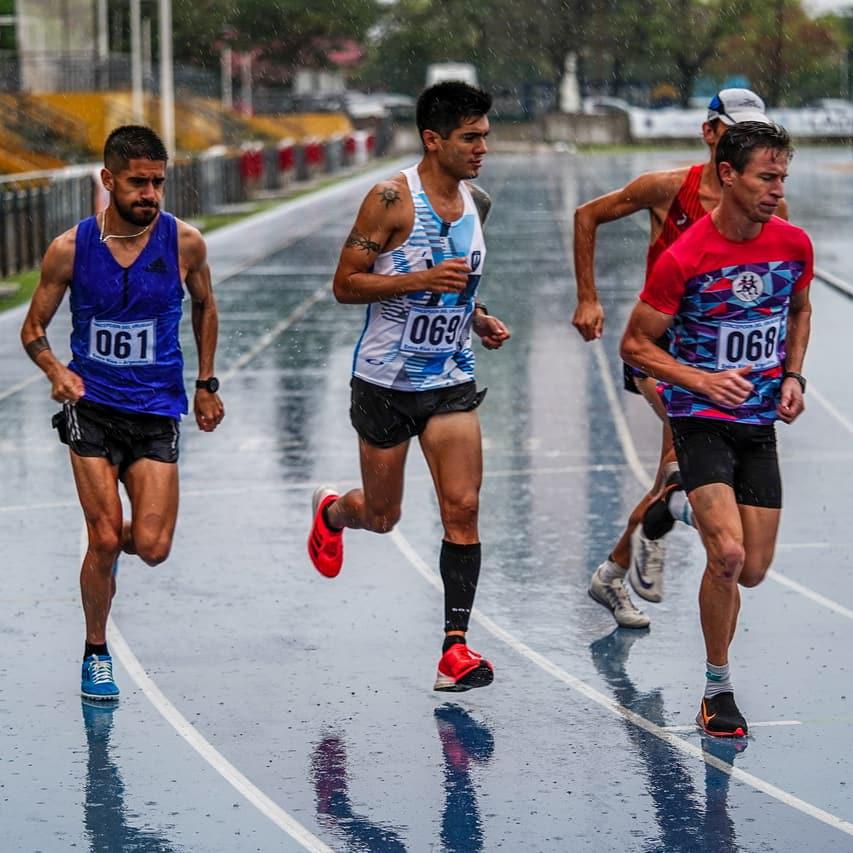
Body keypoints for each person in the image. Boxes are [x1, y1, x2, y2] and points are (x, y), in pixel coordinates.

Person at [306, 82, 510, 692]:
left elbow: (459, 284)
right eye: (470, 137)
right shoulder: (391, 199)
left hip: (450, 377)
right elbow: (345, 284)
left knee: (463, 508)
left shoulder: (478, 202)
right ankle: (333, 512)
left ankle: (454, 648)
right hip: (385, 383)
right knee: (382, 515)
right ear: (433, 139)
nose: (482, 148)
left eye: (485, 136)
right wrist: (419, 280)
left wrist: (477, 316)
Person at [620, 121, 812, 736]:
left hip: (759, 423)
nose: (777, 190)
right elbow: (635, 345)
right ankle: (717, 690)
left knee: (752, 569)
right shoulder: (685, 257)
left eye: (782, 178)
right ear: (727, 175)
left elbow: (800, 310)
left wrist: (793, 375)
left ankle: (672, 507)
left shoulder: (793, 245)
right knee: (726, 556)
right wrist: (700, 381)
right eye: (766, 177)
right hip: (700, 420)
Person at [20, 125, 224, 700]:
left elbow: (206, 306)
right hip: (92, 408)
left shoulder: (185, 244)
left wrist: (206, 382)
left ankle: (103, 539)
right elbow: (32, 329)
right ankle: (96, 651)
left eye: (158, 182)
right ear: (108, 180)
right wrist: (56, 371)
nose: (150, 194)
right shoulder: (69, 249)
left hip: (156, 409)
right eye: (138, 183)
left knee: (153, 548)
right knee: (107, 538)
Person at [573, 88, 787, 628]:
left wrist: (783, 369)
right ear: (710, 134)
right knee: (679, 469)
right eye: (737, 132)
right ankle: (654, 531)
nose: (748, 141)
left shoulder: (769, 204)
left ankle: (612, 572)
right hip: (661, 353)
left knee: (672, 479)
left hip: (722, 362)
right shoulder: (668, 189)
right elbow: (586, 215)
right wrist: (588, 298)